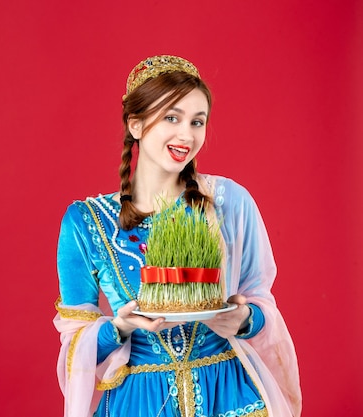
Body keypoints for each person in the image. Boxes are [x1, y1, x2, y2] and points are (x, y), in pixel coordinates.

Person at [53, 55, 302, 417]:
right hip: (140, 401)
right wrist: (118, 328)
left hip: (229, 394)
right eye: (172, 117)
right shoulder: (85, 222)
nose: (187, 135)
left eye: (197, 121)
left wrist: (245, 319)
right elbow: (75, 340)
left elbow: (261, 299)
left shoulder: (229, 202)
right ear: (135, 125)